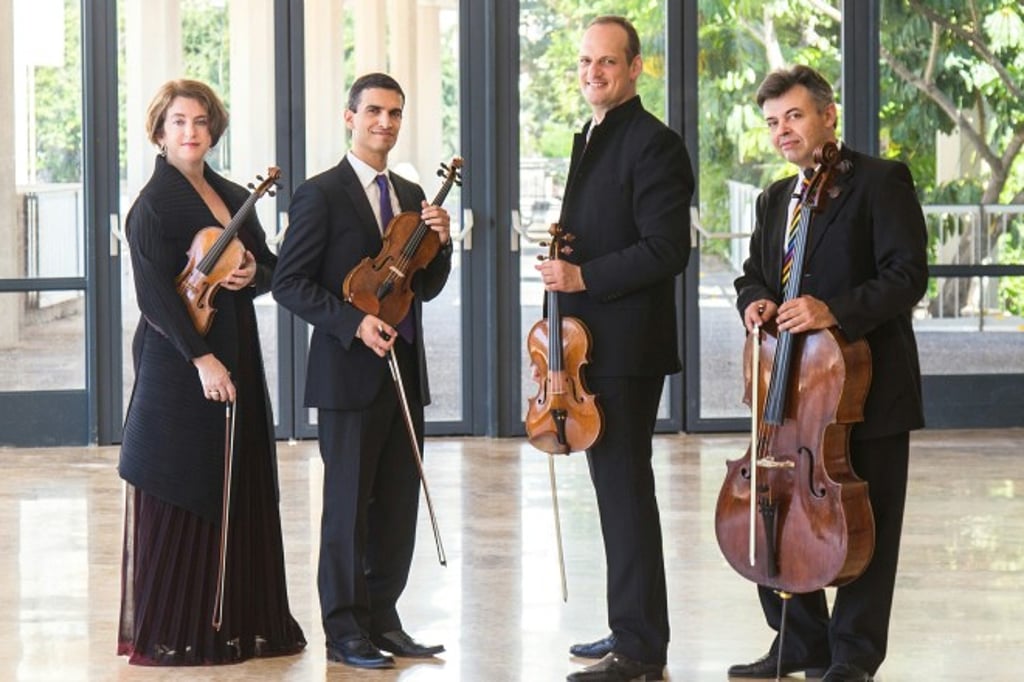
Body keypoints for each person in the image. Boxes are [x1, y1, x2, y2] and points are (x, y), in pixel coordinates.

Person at [729, 65, 928, 682]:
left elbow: (906, 276)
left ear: (827, 115)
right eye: (771, 122)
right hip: (791, 395)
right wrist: (755, 301)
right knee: (781, 512)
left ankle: (853, 656)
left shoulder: (879, 181)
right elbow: (753, 273)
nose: (782, 131)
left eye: (793, 116)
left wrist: (832, 311)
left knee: (867, 527)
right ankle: (799, 644)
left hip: (865, 391)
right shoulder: (774, 199)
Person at [117, 79, 306, 665]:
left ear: (212, 130)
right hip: (179, 364)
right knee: (186, 481)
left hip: (236, 350)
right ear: (159, 130)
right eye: (178, 121)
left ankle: (239, 622)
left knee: (237, 478)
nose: (190, 131)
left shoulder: (231, 195)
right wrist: (201, 360)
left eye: (200, 122)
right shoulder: (151, 205)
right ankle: (182, 626)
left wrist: (252, 274)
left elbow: (270, 269)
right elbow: (156, 298)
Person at [271, 72, 452, 670]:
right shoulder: (319, 194)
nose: (385, 123)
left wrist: (443, 245)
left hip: (403, 369)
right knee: (348, 506)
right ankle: (345, 629)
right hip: (348, 375)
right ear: (349, 117)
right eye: (374, 111)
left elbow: (423, 285)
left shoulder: (409, 191)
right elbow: (288, 283)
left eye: (395, 113)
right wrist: (352, 322)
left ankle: (384, 617)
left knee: (398, 503)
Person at [536, 16, 694, 682]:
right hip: (590, 347)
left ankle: (639, 650)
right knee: (613, 493)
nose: (592, 73)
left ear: (635, 69)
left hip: (627, 350)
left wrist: (583, 276)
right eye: (584, 63)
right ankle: (629, 626)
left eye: (606, 62)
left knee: (626, 492)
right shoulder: (595, 138)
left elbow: (667, 249)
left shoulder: (654, 144)